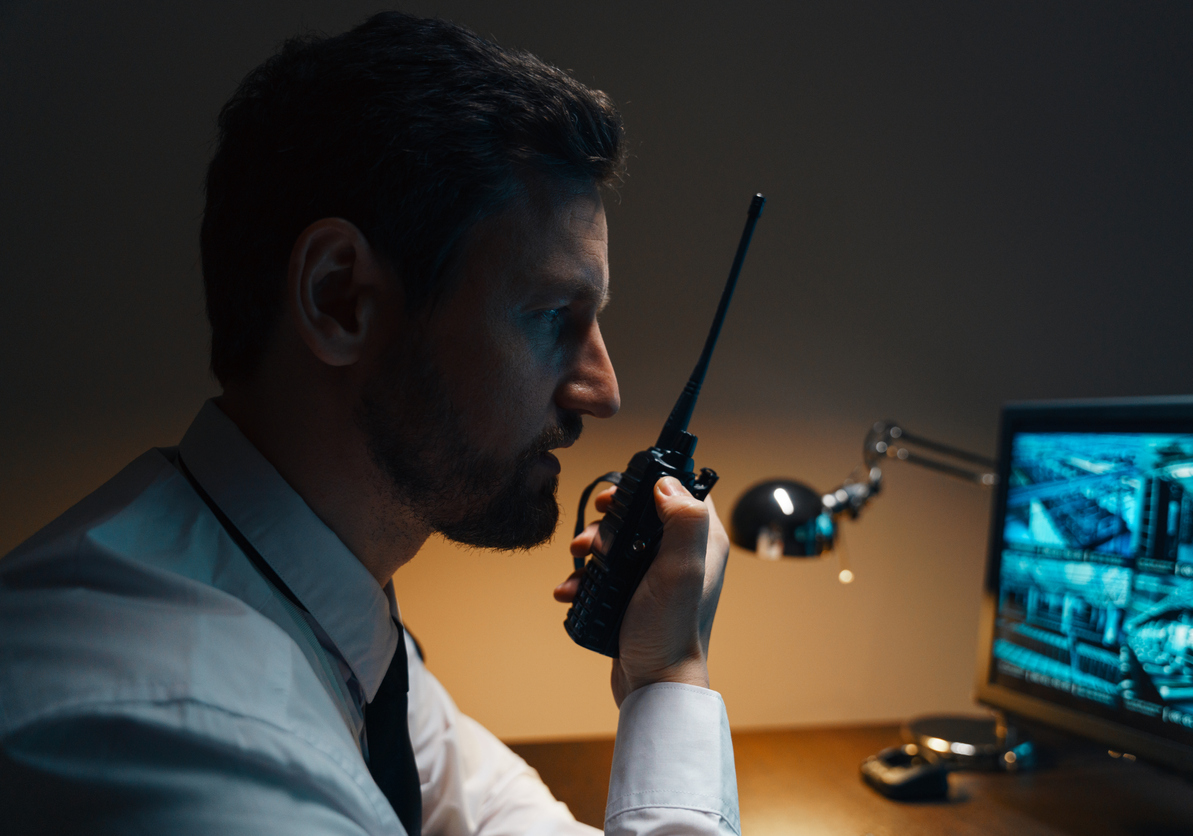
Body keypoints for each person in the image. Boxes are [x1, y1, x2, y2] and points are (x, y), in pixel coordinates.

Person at [0, 12, 738, 836]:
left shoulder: (328, 622)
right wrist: (672, 676)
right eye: (549, 315)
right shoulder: (182, 739)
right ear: (338, 298)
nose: (601, 390)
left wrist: (654, 668)